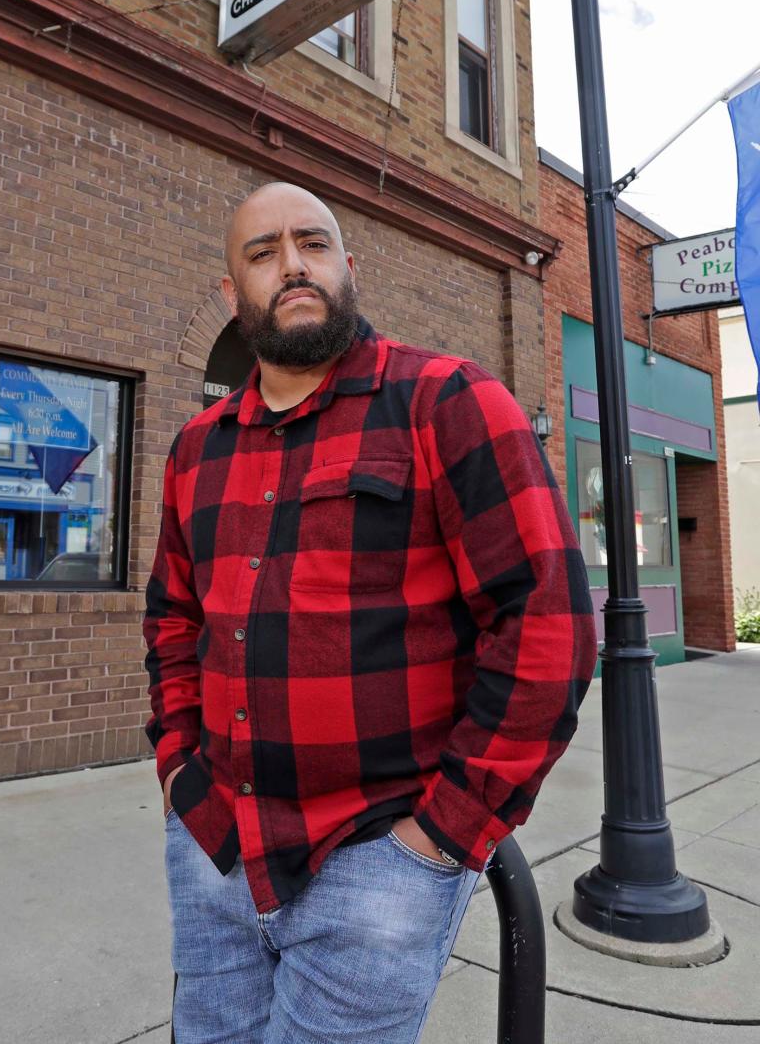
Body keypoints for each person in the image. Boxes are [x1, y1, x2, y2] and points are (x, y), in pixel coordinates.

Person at [144, 182, 595, 1044]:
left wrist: (441, 837)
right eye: (264, 251)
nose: (294, 265)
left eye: (313, 243)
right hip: (215, 844)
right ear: (233, 291)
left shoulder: (447, 402)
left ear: (349, 263)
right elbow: (172, 621)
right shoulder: (197, 449)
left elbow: (549, 628)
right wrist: (175, 770)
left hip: (378, 859)